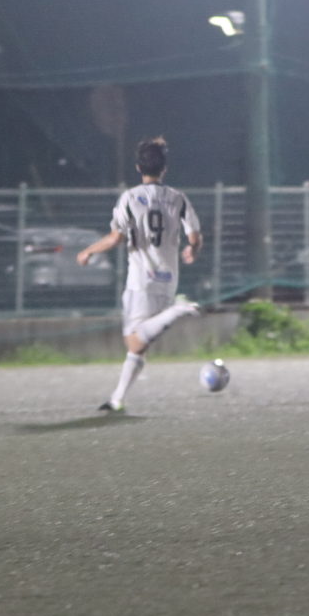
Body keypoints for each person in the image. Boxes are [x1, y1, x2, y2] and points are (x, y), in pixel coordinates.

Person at [76, 136, 202, 412]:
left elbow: (115, 238)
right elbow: (195, 236)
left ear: (138, 167)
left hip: (141, 280)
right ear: (164, 169)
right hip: (168, 279)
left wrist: (88, 251)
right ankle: (117, 399)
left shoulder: (130, 198)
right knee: (138, 346)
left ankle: (177, 310)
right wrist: (192, 250)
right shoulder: (178, 198)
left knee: (134, 339)